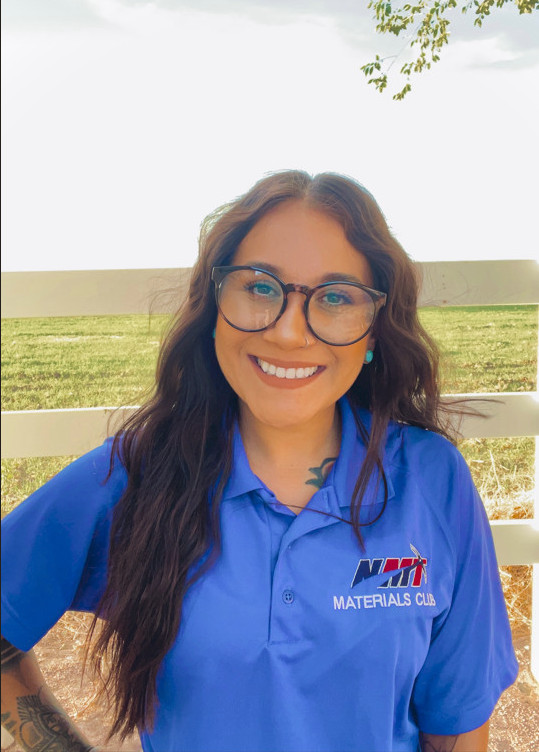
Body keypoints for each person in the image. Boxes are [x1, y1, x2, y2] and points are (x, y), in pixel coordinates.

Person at [1, 170, 518, 752]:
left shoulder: (432, 481)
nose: (290, 333)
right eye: (259, 287)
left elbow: (457, 724)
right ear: (214, 307)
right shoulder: (136, 475)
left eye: (337, 297)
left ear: (374, 330)